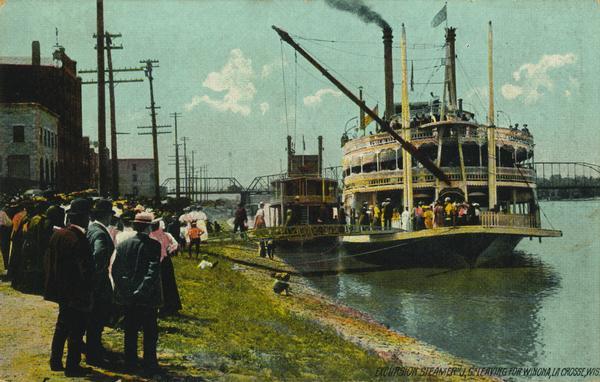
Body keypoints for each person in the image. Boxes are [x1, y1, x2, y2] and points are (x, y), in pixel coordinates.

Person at [45, 198, 94, 376]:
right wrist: (89, 288)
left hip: (61, 290)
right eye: (88, 216)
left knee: (62, 326)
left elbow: (49, 263)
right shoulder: (78, 239)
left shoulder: (58, 234)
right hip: (76, 292)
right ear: (82, 218)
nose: (89, 219)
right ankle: (73, 366)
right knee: (77, 329)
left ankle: (55, 361)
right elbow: (85, 270)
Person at [110, 212, 163, 372]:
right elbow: (152, 272)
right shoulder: (154, 245)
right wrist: (141, 291)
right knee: (150, 331)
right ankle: (149, 363)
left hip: (128, 297)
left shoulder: (123, 245)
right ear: (148, 227)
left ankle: (130, 363)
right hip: (147, 298)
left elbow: (115, 271)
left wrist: (126, 290)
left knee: (130, 330)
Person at [85, 199, 115, 366]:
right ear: (105, 216)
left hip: (92, 280)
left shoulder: (91, 229)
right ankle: (94, 354)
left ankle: (93, 350)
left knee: (93, 319)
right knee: (97, 318)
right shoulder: (100, 233)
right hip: (99, 281)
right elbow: (99, 254)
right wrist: (99, 273)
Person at [150, 220, 181, 317]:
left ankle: (166, 307)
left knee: (164, 283)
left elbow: (175, 245)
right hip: (163, 261)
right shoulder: (165, 235)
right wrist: (169, 251)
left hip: (158, 261)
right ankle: (168, 307)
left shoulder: (151, 235)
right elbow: (175, 245)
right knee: (166, 283)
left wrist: (169, 250)